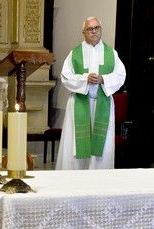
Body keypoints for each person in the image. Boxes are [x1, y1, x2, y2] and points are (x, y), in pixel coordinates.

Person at [55, 17, 126, 170]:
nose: (93, 31)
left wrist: (103, 79)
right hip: (80, 103)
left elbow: (120, 75)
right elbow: (66, 76)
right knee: (76, 142)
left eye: (96, 28)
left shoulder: (111, 53)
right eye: (89, 29)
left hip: (103, 103)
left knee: (102, 145)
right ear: (83, 33)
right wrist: (84, 79)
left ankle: (100, 181)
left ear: (101, 30)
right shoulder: (74, 53)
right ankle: (74, 179)